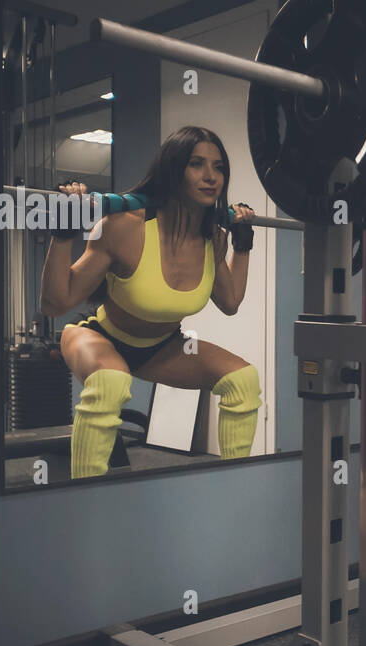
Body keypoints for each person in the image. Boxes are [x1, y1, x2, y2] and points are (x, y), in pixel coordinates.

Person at [39, 126, 262, 479]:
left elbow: (231, 302)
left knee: (244, 381)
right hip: (100, 336)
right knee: (111, 382)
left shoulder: (213, 238)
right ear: (173, 171)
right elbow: (55, 303)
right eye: (197, 164)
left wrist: (243, 244)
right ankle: (83, 496)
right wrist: (63, 233)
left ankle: (234, 484)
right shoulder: (122, 226)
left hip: (162, 347)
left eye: (218, 167)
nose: (210, 177)